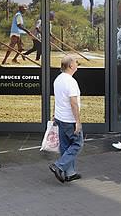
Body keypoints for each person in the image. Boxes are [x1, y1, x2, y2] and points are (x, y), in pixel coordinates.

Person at [49, 55, 84, 183]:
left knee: (65, 145)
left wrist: (54, 114)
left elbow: (57, 99)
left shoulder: (58, 79)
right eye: (76, 62)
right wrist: (78, 122)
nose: (77, 64)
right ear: (70, 66)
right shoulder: (71, 81)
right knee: (77, 144)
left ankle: (70, 173)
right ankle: (59, 165)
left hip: (60, 118)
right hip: (70, 120)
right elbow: (73, 103)